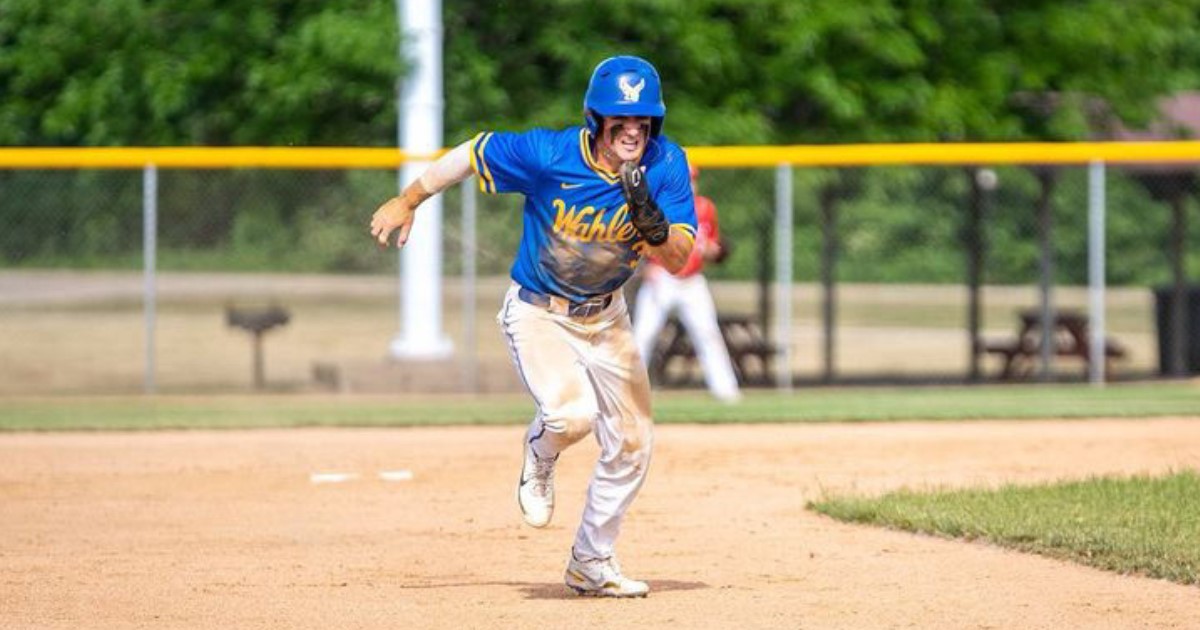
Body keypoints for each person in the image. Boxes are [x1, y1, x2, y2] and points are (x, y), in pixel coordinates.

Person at [368, 55, 696, 598]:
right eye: (621, 119)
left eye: (644, 121)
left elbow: (680, 257)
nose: (633, 130)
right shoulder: (550, 154)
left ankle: (591, 562)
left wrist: (651, 220)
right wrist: (409, 200)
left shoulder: (665, 164)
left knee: (634, 441)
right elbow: (472, 153)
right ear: (596, 119)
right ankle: (541, 453)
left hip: (607, 316)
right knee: (572, 417)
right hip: (540, 310)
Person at [633, 165, 742, 403]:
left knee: (708, 334)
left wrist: (714, 252)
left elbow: (711, 244)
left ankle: (726, 392)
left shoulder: (705, 208)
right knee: (643, 335)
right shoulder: (659, 205)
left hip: (692, 281)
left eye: (692, 179)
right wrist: (646, 266)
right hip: (662, 278)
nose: (689, 184)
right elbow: (637, 239)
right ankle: (627, 394)